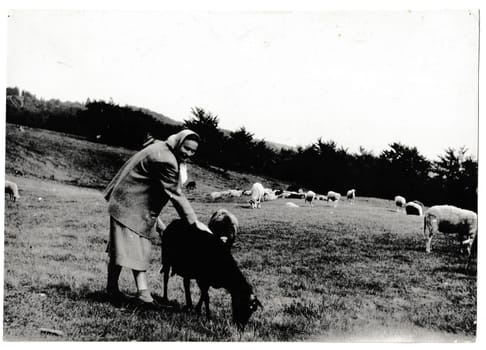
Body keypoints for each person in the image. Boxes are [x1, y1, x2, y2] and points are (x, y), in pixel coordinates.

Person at [103, 129, 211, 306]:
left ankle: (112, 289)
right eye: (187, 148)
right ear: (179, 143)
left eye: (193, 151)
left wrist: (158, 222)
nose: (189, 154)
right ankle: (143, 295)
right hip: (129, 204)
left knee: (120, 248)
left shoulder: (163, 147)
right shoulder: (167, 160)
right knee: (138, 247)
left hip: (126, 201)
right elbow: (175, 194)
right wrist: (194, 222)